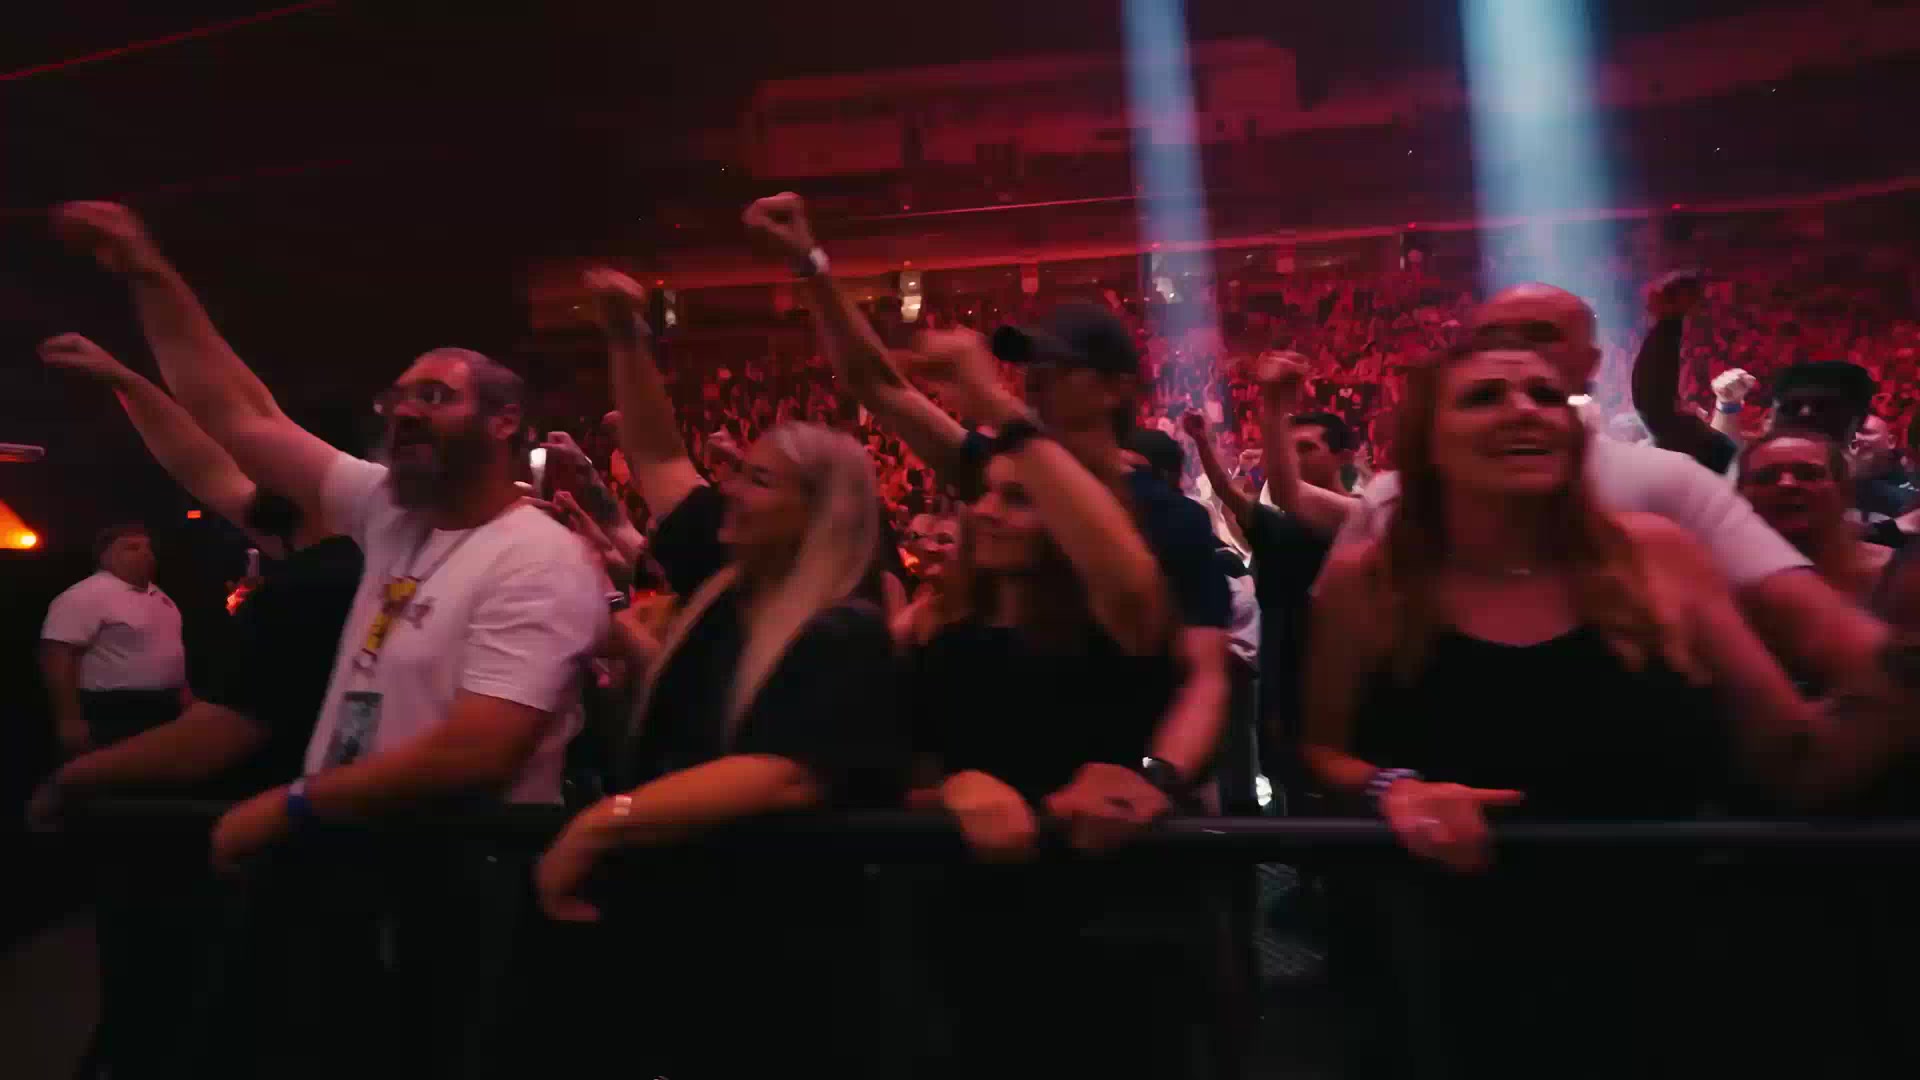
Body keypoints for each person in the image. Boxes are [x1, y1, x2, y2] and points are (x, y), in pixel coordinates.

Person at [1304, 336, 1915, 1076]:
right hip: (1453, 954)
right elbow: (1318, 750)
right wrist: (1391, 789)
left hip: (1669, 949)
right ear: (1427, 442)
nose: (1524, 410)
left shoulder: (1657, 555)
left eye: (1544, 395)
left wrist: (1904, 675)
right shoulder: (1371, 580)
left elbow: (1794, 758)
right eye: (1485, 396)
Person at [745, 191, 1231, 840]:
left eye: (1061, 366)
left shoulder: (1167, 517)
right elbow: (880, 386)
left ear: (1116, 389)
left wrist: (1156, 778)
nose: (1035, 377)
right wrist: (811, 263)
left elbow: (1203, 676)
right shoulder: (1004, 471)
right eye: (1031, 362)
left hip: (1116, 818)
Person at [533, 267, 901, 1078]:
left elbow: (782, 772)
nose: (729, 488)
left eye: (758, 480)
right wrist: (625, 335)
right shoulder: (730, 581)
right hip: (687, 934)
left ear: (817, 513)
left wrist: (603, 822)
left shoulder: (844, 628)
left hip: (778, 963)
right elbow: (660, 456)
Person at [894, 285, 1232, 1080]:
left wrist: (1157, 777)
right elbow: (893, 770)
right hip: (975, 943)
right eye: (985, 495)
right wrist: (953, 791)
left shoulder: (1131, 588)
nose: (988, 511)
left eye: (1021, 499)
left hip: (1115, 925)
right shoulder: (947, 629)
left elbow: (1195, 664)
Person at [1337, 282, 1900, 716]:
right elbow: (1327, 727)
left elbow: (1824, 634)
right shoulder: (1389, 503)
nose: (1512, 352)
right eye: (1491, 339)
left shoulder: (1669, 486)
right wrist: (1386, 788)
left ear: (1590, 364)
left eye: (1538, 334)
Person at [32, 332, 362, 813]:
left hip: (299, 811)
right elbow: (200, 466)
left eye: (253, 461)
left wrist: (68, 779)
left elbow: (208, 742)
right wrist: (125, 381)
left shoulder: (313, 585)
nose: (238, 468)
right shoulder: (326, 544)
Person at [39, 522, 185, 754]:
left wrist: (184, 694)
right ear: (104, 556)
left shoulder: (160, 596)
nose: (145, 553)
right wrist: (69, 720)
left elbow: (169, 649)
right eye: (132, 548)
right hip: (113, 710)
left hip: (165, 706)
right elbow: (58, 656)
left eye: (148, 547)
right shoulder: (84, 596)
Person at [1738, 429, 1895, 610]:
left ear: (1844, 490)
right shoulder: (1721, 573)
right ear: (1740, 493)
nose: (1787, 484)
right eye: (1766, 477)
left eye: (1808, 474)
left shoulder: (1896, 573)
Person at [1853, 411, 1918, 522]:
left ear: (1891, 441)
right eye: (1853, 433)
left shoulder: (1912, 474)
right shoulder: (1840, 477)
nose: (1857, 438)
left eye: (1866, 433)